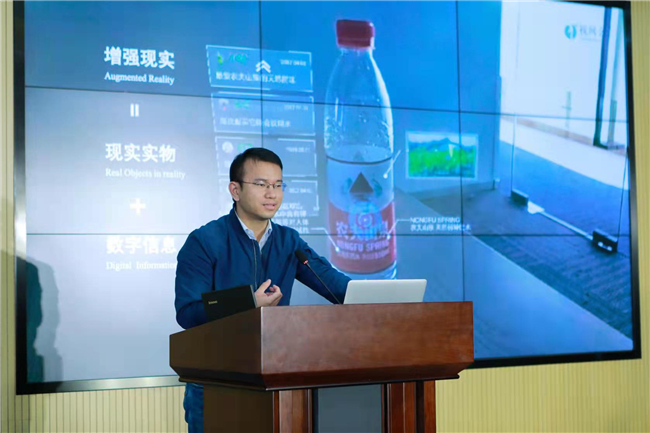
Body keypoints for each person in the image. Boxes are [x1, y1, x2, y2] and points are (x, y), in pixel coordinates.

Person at [175, 147, 350, 433]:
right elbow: (188, 312)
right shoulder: (205, 241)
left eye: (278, 185)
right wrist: (247, 302)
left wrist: (380, 296)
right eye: (261, 184)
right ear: (235, 190)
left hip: (275, 377)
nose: (272, 194)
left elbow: (335, 286)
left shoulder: (289, 241)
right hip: (216, 382)